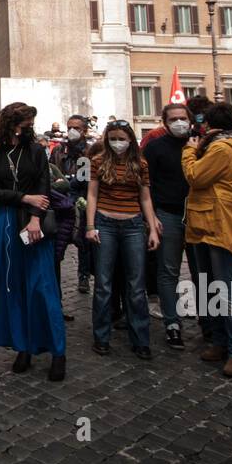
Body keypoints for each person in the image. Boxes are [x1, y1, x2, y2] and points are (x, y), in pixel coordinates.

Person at [0, 102, 67, 380]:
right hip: (6, 222)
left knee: (42, 287)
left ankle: (58, 351)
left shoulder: (36, 151)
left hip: (33, 222)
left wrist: (34, 216)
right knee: (13, 287)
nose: (29, 128)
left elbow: (43, 187)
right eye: (25, 124)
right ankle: (23, 347)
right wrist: (23, 197)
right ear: (12, 125)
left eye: (32, 123)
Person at [181, 103, 232, 377]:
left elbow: (195, 176)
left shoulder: (221, 148)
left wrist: (188, 150)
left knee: (226, 289)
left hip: (220, 225)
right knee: (210, 287)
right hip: (204, 223)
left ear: (208, 125)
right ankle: (220, 342)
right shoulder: (215, 146)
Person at [85, 119, 159, 360]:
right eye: (113, 138)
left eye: (121, 138)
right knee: (104, 285)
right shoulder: (97, 162)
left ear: (130, 140)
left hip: (133, 224)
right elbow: (92, 194)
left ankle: (141, 339)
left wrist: (152, 229)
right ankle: (101, 337)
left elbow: (145, 197)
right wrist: (90, 225)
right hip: (105, 222)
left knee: (136, 286)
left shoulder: (141, 164)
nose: (117, 143)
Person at [143, 102, 200, 350]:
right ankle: (172, 323)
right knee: (168, 272)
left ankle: (209, 322)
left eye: (182, 118)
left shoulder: (202, 145)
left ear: (190, 120)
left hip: (200, 215)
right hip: (168, 214)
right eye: (173, 119)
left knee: (202, 270)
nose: (179, 123)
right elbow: (147, 185)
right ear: (165, 123)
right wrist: (152, 217)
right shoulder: (155, 147)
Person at [50, 114, 95, 295]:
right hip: (60, 202)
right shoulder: (58, 150)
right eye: (69, 127)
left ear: (84, 130)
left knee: (83, 243)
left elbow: (84, 180)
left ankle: (83, 276)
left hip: (81, 202)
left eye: (76, 128)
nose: (71, 131)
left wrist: (71, 189)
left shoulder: (89, 152)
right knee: (58, 243)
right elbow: (52, 173)